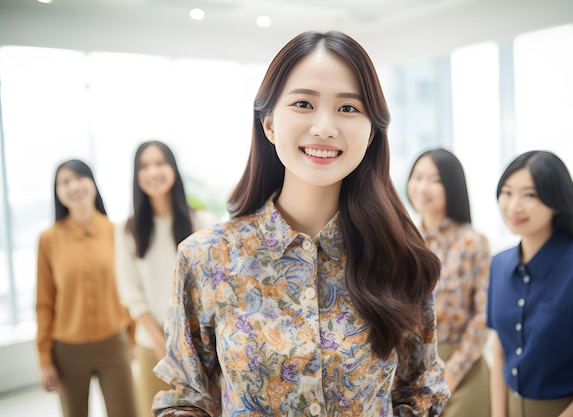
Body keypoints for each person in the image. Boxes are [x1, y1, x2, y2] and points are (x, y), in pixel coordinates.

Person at [152, 31, 450, 417]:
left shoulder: (400, 257)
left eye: (348, 109)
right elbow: (187, 397)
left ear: (372, 131)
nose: (325, 126)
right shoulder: (208, 258)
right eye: (304, 104)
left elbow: (422, 388)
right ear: (270, 123)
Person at [487, 150, 573, 417]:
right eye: (507, 192)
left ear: (557, 201)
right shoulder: (498, 265)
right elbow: (500, 350)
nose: (514, 205)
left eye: (530, 195)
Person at [115, 140, 216, 417]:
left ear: (173, 169)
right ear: (137, 176)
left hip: (200, 350)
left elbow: (212, 291)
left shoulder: (202, 222)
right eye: (145, 165)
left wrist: (188, 346)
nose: (153, 171)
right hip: (152, 348)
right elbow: (131, 293)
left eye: (160, 163)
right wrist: (163, 344)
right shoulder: (127, 231)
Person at [36, 159, 137, 417]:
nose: (73, 186)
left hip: (114, 343)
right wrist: (45, 360)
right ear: (57, 192)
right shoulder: (48, 240)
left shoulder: (116, 231)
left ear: (92, 184)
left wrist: (133, 338)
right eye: (64, 182)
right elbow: (44, 302)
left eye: (79, 178)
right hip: (68, 349)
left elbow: (130, 289)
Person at [406, 148, 491, 417]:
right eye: (418, 177)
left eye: (435, 179)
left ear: (452, 186)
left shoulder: (473, 242)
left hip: (462, 367)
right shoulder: (401, 240)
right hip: (410, 370)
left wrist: (451, 374)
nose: (423, 187)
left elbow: (483, 317)